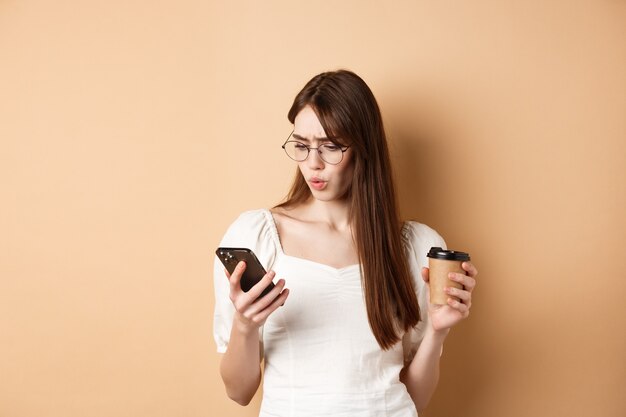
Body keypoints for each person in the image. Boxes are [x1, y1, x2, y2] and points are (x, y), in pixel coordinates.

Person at [213, 69, 478, 417]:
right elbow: (239, 391)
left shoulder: (415, 247)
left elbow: (413, 400)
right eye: (302, 145)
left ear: (364, 149)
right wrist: (246, 326)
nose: (313, 164)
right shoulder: (256, 235)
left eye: (331, 147)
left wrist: (437, 333)